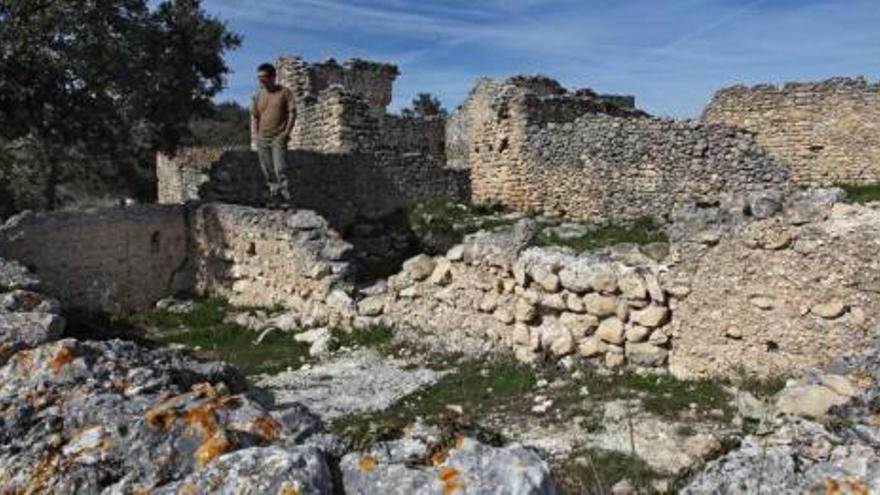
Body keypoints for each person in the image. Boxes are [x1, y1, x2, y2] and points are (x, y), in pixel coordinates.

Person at [251, 63, 296, 207]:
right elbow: (255, 116)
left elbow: (292, 112)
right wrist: (255, 135)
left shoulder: (284, 92)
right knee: (267, 170)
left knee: (280, 168)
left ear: (272, 77)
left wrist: (286, 132)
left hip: (278, 136)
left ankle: (285, 198)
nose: (261, 81)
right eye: (259, 78)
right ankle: (274, 197)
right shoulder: (257, 95)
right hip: (262, 137)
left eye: (263, 77)